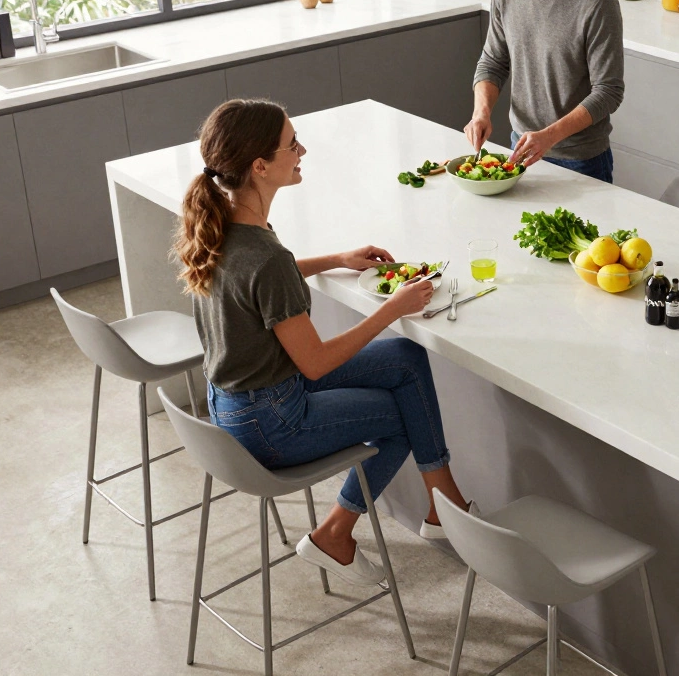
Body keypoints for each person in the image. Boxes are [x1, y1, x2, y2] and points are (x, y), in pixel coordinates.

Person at [175, 99, 473, 587]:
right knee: (403, 417)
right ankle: (337, 533)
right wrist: (393, 308)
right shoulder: (265, 256)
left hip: (235, 404)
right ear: (259, 166)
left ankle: (445, 508)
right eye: (292, 145)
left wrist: (336, 258)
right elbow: (314, 364)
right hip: (272, 420)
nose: (302, 150)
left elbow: (259, 283)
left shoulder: (221, 227)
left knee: (405, 357)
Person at [465, 0, 624, 183]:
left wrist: (549, 136)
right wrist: (481, 113)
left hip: (580, 161)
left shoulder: (597, 1)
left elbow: (609, 92)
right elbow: (493, 61)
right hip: (520, 149)